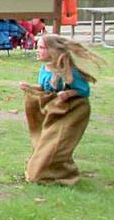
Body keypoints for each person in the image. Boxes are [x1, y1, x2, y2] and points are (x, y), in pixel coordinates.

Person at [18, 34, 103, 185]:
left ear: (53, 50)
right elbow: (45, 89)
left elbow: (84, 91)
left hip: (72, 111)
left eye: (42, 48)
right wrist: (30, 88)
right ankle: (51, 168)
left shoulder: (68, 71)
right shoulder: (44, 69)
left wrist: (69, 93)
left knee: (58, 142)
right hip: (54, 110)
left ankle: (60, 174)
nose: (38, 51)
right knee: (48, 142)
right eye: (38, 48)